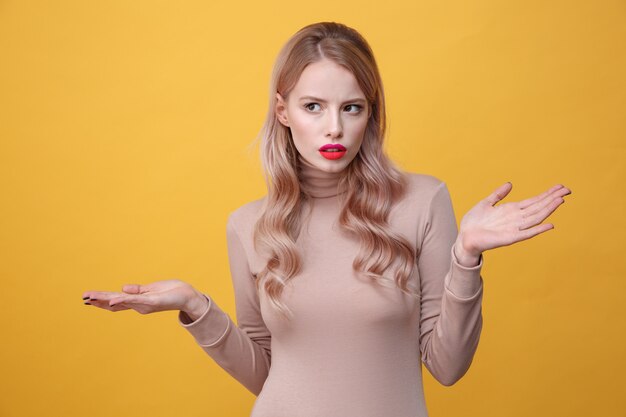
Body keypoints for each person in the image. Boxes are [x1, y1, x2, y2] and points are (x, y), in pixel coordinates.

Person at [82, 22, 571, 417]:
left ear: (370, 114)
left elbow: (446, 367)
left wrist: (467, 258)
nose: (334, 127)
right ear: (284, 112)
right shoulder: (249, 226)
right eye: (313, 106)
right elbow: (264, 372)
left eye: (351, 108)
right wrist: (195, 307)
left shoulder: (423, 200)